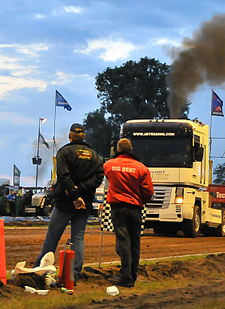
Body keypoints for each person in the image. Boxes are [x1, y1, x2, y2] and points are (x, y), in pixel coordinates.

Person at [34, 123, 104, 283]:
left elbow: (63, 177)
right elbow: (99, 178)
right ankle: (73, 274)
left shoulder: (64, 152)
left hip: (65, 203)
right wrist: (80, 191)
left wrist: (73, 195)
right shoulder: (95, 155)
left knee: (53, 236)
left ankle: (40, 269)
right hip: (84, 204)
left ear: (70, 136)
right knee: (78, 238)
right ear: (84, 136)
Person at [104, 138, 154, 288]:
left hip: (118, 208)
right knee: (135, 242)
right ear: (131, 149)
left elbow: (108, 177)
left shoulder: (109, 165)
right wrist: (141, 200)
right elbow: (148, 191)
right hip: (135, 208)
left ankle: (125, 277)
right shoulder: (142, 168)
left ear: (118, 149)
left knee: (123, 242)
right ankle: (132, 275)